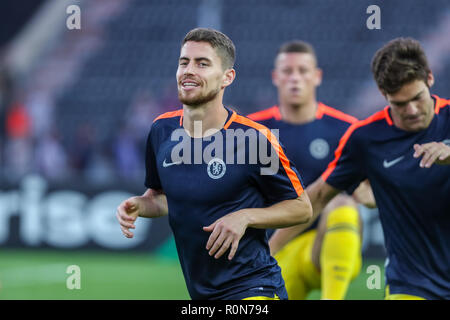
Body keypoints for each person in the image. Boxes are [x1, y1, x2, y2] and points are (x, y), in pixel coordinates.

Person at [116, 28, 313, 300]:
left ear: (226, 78)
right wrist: (140, 204)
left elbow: (302, 208)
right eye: (184, 62)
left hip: (255, 287)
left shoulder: (254, 139)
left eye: (202, 63)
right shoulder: (161, 130)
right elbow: (163, 199)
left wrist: (246, 216)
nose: (188, 70)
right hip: (202, 295)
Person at [270, 37, 450, 300]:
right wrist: (268, 251)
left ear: (430, 79)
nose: (411, 110)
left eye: (417, 98)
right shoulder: (366, 138)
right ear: (383, 94)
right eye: (399, 103)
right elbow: (318, 196)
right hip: (412, 285)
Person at [248, 41, 373, 300]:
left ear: (317, 76)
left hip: (326, 248)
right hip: (272, 257)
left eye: (303, 71)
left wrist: (370, 193)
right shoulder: (252, 130)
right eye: (288, 71)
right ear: (275, 77)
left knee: (343, 205)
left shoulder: (348, 130)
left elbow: (371, 191)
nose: (295, 78)